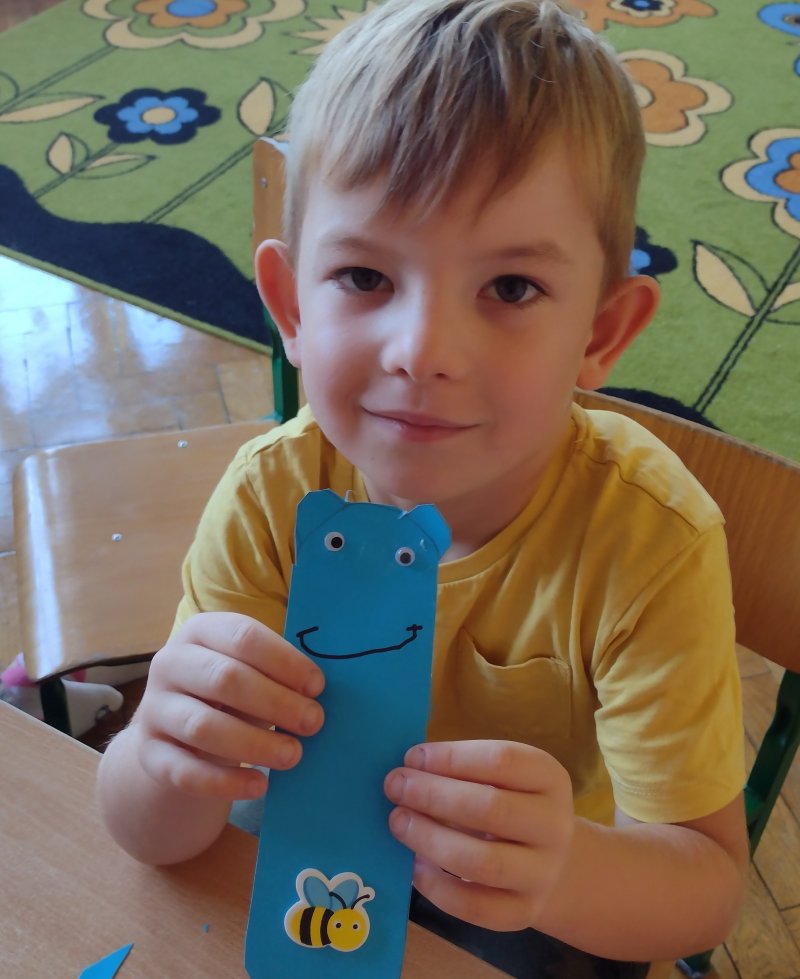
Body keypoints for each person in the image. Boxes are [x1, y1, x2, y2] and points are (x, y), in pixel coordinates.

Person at [96, 1, 748, 975]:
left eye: (510, 288)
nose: (423, 351)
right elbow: (153, 839)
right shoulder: (274, 497)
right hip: (305, 840)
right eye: (364, 276)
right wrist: (160, 749)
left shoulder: (648, 540)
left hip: (537, 887)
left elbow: (703, 889)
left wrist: (563, 869)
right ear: (290, 308)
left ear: (600, 333)